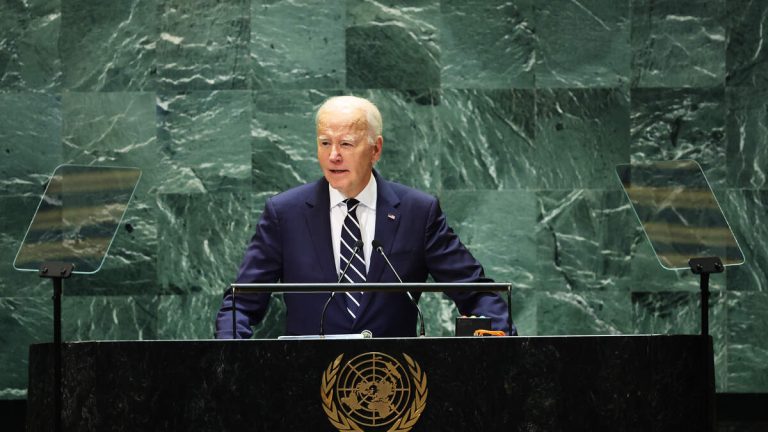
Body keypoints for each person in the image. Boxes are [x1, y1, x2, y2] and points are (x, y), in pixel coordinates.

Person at [215, 95, 515, 338]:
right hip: (305, 386)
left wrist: (504, 342)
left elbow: (474, 291)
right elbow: (241, 303)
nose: (333, 155)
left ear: (376, 149)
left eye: (346, 144)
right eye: (324, 143)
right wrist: (230, 360)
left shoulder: (417, 213)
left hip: (397, 388)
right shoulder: (285, 214)